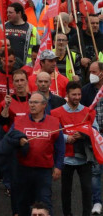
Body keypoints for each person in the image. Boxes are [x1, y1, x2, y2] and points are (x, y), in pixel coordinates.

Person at [10, 92, 65, 216]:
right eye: (30, 102)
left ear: (44, 105)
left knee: (45, 202)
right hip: (23, 169)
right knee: (22, 203)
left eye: (35, 102)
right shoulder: (19, 122)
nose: (32, 105)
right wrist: (17, 141)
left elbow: (60, 147)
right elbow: (8, 140)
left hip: (44, 170)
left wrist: (58, 166)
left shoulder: (54, 122)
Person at [51, 81, 95, 216]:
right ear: (67, 95)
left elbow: (95, 131)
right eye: (73, 94)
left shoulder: (88, 112)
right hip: (66, 158)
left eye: (79, 94)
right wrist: (65, 138)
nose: (77, 97)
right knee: (66, 191)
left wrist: (83, 134)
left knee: (87, 190)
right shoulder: (56, 112)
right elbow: (53, 132)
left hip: (84, 158)